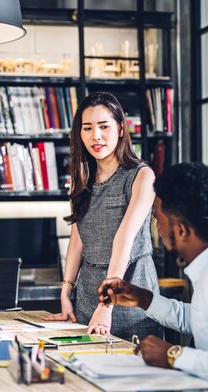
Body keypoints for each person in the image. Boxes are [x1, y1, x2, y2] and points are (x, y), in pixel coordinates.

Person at [98, 162, 208, 389]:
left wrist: (174, 355)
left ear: (181, 230)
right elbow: (203, 321)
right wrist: (144, 299)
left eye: (158, 220)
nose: (158, 229)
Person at [44, 91, 160, 341]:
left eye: (103, 126)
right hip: (88, 300)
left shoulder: (141, 176)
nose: (95, 136)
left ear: (120, 128)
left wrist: (106, 305)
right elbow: (77, 239)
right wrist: (66, 292)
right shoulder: (81, 179)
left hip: (132, 298)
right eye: (87, 128)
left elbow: (124, 241)